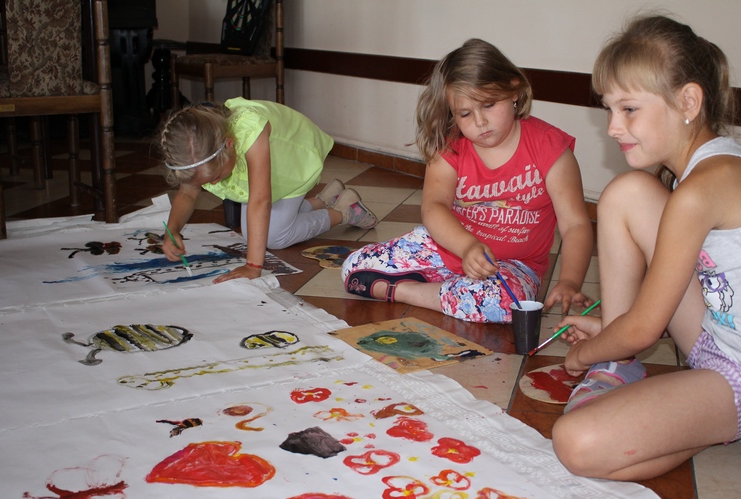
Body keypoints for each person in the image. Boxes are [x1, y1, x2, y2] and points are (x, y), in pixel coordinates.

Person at [551, 15, 741, 481]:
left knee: (576, 443)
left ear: (688, 101)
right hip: (716, 337)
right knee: (626, 192)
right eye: (608, 109)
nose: (613, 127)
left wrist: (582, 355)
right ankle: (619, 360)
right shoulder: (704, 171)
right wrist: (613, 333)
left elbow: (646, 328)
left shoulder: (704, 187)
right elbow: (657, 309)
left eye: (628, 109)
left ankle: (711, 421)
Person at [341, 38, 593, 323]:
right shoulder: (450, 146)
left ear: (514, 90)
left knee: (503, 305)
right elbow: (434, 207)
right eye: (465, 113)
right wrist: (466, 248)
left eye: (489, 105)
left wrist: (569, 281)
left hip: (513, 266)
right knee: (353, 267)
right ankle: (448, 288)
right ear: (452, 112)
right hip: (447, 247)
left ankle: (406, 290)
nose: (480, 122)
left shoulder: (550, 148)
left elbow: (575, 225)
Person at [157, 98, 377, 283]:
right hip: (269, 171)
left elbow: (260, 200)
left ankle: (345, 211)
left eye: (215, 177)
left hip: (294, 161)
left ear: (229, 145)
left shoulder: (250, 131)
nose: (213, 185)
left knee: (274, 237)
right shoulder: (201, 148)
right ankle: (325, 198)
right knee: (254, 232)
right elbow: (187, 193)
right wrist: (172, 231)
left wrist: (253, 266)